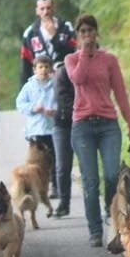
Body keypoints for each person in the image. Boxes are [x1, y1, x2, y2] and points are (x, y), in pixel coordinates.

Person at [64, 14, 130, 247]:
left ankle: (111, 217)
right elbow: (78, 79)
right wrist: (86, 53)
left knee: (110, 175)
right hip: (83, 126)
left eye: (90, 31)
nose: (87, 35)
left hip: (108, 124)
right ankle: (95, 229)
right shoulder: (71, 59)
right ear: (77, 36)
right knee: (90, 180)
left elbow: (121, 94)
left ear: (97, 33)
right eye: (82, 32)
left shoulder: (109, 60)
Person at [20, 0, 77, 85]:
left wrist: (54, 36)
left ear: (54, 8)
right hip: (41, 83)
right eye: (42, 9)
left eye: (48, 8)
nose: (46, 12)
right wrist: (24, 89)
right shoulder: (29, 34)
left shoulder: (66, 27)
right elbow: (26, 65)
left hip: (64, 79)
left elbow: (73, 52)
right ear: (37, 11)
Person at [15, 53, 57, 167]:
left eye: (46, 67)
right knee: (37, 160)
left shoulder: (55, 86)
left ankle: (55, 183)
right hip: (35, 129)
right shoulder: (29, 87)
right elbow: (20, 104)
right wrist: (33, 108)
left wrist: (55, 110)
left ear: (51, 69)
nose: (43, 70)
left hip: (52, 129)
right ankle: (38, 182)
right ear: (34, 70)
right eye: (40, 67)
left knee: (53, 158)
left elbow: (61, 102)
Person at [51, 60, 75, 218]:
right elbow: (61, 99)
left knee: (87, 169)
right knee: (62, 167)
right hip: (62, 123)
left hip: (82, 121)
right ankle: (64, 203)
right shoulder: (62, 74)